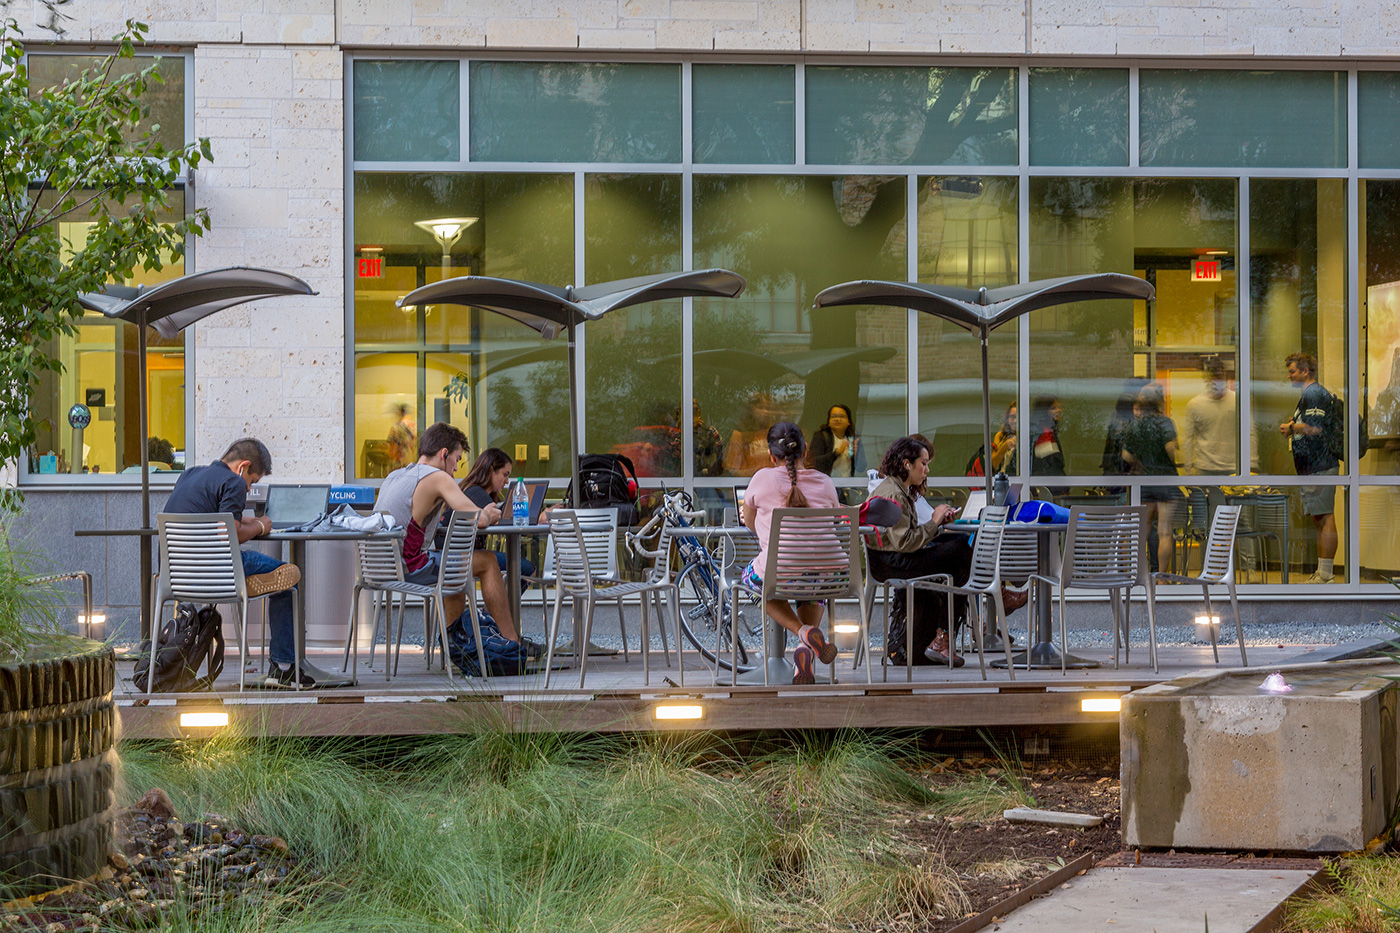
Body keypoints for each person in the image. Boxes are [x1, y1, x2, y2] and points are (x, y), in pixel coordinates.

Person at [373, 423, 539, 654]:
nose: (456, 469)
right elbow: (478, 519)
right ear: (444, 454)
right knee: (488, 561)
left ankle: (458, 647)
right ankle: (513, 644)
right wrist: (490, 512)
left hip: (376, 568)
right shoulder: (437, 477)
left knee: (456, 566)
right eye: (457, 460)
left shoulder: (396, 475)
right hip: (408, 567)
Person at [162, 438, 312, 688]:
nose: (249, 488)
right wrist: (262, 525)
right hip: (216, 571)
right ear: (243, 466)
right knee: (289, 577)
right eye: (252, 482)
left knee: (273, 575)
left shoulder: (189, 475)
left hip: (176, 575)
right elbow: (229, 533)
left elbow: (225, 527)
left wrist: (250, 525)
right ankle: (284, 668)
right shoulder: (232, 481)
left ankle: (252, 583)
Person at [741, 422, 842, 685]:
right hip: (825, 578)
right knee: (813, 583)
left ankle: (804, 631)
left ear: (771, 455)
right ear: (805, 451)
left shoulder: (761, 478)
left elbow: (750, 523)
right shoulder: (825, 482)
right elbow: (833, 524)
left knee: (753, 580)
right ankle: (804, 648)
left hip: (781, 574)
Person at [862, 436, 973, 667]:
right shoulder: (893, 494)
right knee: (962, 547)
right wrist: (934, 521)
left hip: (894, 558)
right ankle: (943, 637)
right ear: (906, 464)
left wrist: (939, 524)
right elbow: (906, 543)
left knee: (958, 546)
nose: (927, 469)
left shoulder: (899, 489)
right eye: (923, 463)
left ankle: (943, 637)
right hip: (893, 563)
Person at [1281, 352, 1340, 583]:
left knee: (1325, 517)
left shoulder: (1314, 393)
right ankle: (1322, 572)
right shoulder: (1308, 394)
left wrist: (1292, 427)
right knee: (1319, 517)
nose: (1289, 376)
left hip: (1320, 464)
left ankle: (1326, 574)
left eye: (1293, 371)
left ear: (1306, 371)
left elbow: (1315, 428)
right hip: (1311, 466)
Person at [1121, 382, 1181, 574]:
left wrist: (1142, 458)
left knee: (1141, 530)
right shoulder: (1165, 423)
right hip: (1166, 481)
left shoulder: (1136, 426)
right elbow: (1171, 448)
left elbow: (1126, 456)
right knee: (1164, 531)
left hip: (1145, 481)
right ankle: (1162, 577)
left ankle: (1137, 572)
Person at [457, 447, 537, 590]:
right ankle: (498, 612)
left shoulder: (474, 491)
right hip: (462, 557)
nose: (507, 481)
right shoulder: (476, 493)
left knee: (519, 567)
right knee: (526, 568)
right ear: (491, 470)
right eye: (505, 474)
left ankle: (493, 612)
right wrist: (539, 517)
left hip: (461, 555)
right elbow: (503, 520)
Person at [1183, 359, 1239, 476]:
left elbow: (1249, 432)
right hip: (1204, 469)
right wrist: (1187, 471)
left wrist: (1250, 464)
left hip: (1233, 469)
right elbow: (1188, 439)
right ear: (1207, 379)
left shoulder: (1237, 401)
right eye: (1213, 377)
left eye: (1220, 376)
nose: (1217, 381)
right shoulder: (1195, 404)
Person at [1101, 378, 1148, 481]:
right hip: (1122, 472)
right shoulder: (1127, 407)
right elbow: (1125, 450)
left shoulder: (1119, 412)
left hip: (1115, 469)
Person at [808, 404, 864, 477]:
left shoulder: (853, 439)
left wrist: (856, 456)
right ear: (829, 422)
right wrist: (836, 453)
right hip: (827, 485)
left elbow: (862, 468)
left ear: (848, 422)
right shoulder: (821, 437)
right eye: (833, 416)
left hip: (848, 485)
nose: (837, 419)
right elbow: (816, 462)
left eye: (841, 416)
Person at [1030, 396, 1066, 494]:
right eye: (1053, 408)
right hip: (1047, 491)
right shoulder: (1042, 434)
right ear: (1044, 411)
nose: (1059, 410)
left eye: (1059, 407)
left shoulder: (1050, 432)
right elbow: (1047, 467)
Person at [989, 403, 1018, 475]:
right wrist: (1005, 445)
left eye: (1018, 417)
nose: (1015, 421)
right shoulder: (1001, 435)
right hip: (1004, 478)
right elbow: (993, 463)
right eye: (1012, 417)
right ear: (1007, 419)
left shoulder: (1028, 436)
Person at [386, 403, 417, 468]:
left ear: (399, 413)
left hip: (400, 468)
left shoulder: (396, 428)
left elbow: (393, 452)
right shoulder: (417, 428)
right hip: (414, 468)